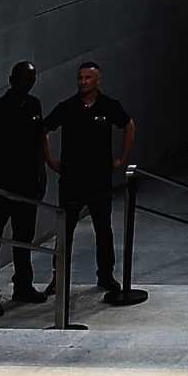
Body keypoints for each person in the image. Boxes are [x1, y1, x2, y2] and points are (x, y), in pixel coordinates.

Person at [42, 61, 135, 302]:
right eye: (80, 78)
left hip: (99, 178)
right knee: (65, 230)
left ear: (97, 80)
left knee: (103, 229)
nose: (83, 82)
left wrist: (122, 158)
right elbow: (44, 129)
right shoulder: (68, 107)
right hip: (72, 178)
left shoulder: (108, 106)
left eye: (88, 78)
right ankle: (58, 276)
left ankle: (105, 275)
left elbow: (128, 125)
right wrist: (50, 160)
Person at [0, 61, 48, 316]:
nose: (27, 83)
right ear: (11, 79)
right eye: (23, 78)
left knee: (24, 238)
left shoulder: (34, 105)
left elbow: (38, 143)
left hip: (26, 185)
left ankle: (23, 285)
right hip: (0, 187)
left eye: (31, 78)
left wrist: (42, 175)